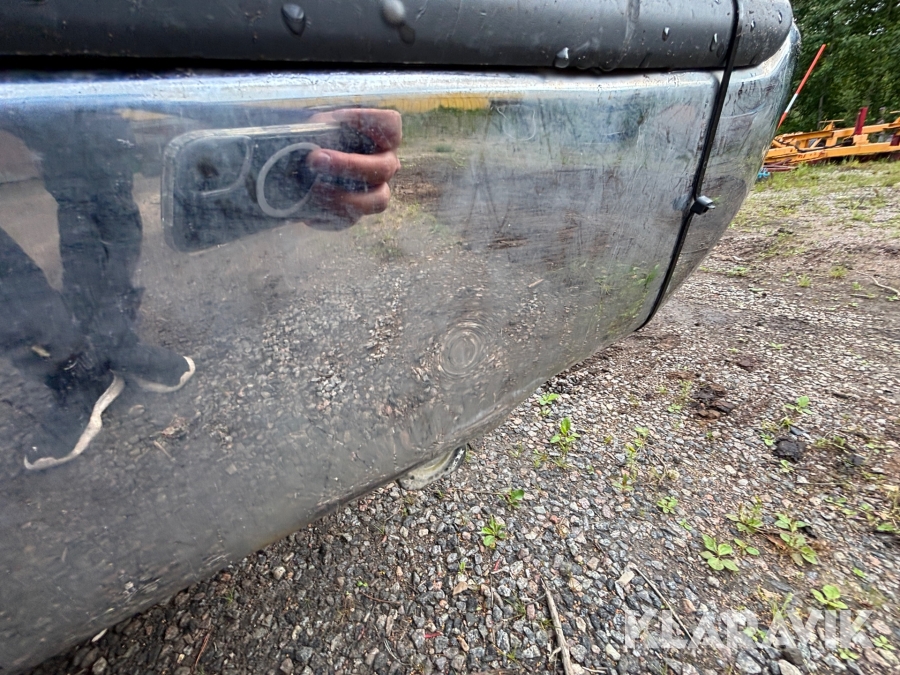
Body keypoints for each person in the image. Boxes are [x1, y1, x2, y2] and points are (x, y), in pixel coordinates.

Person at [0, 107, 401, 469]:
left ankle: (112, 340)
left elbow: (149, 70)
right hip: (26, 91)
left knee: (101, 205)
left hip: (86, 109)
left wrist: (299, 122)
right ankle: (73, 369)